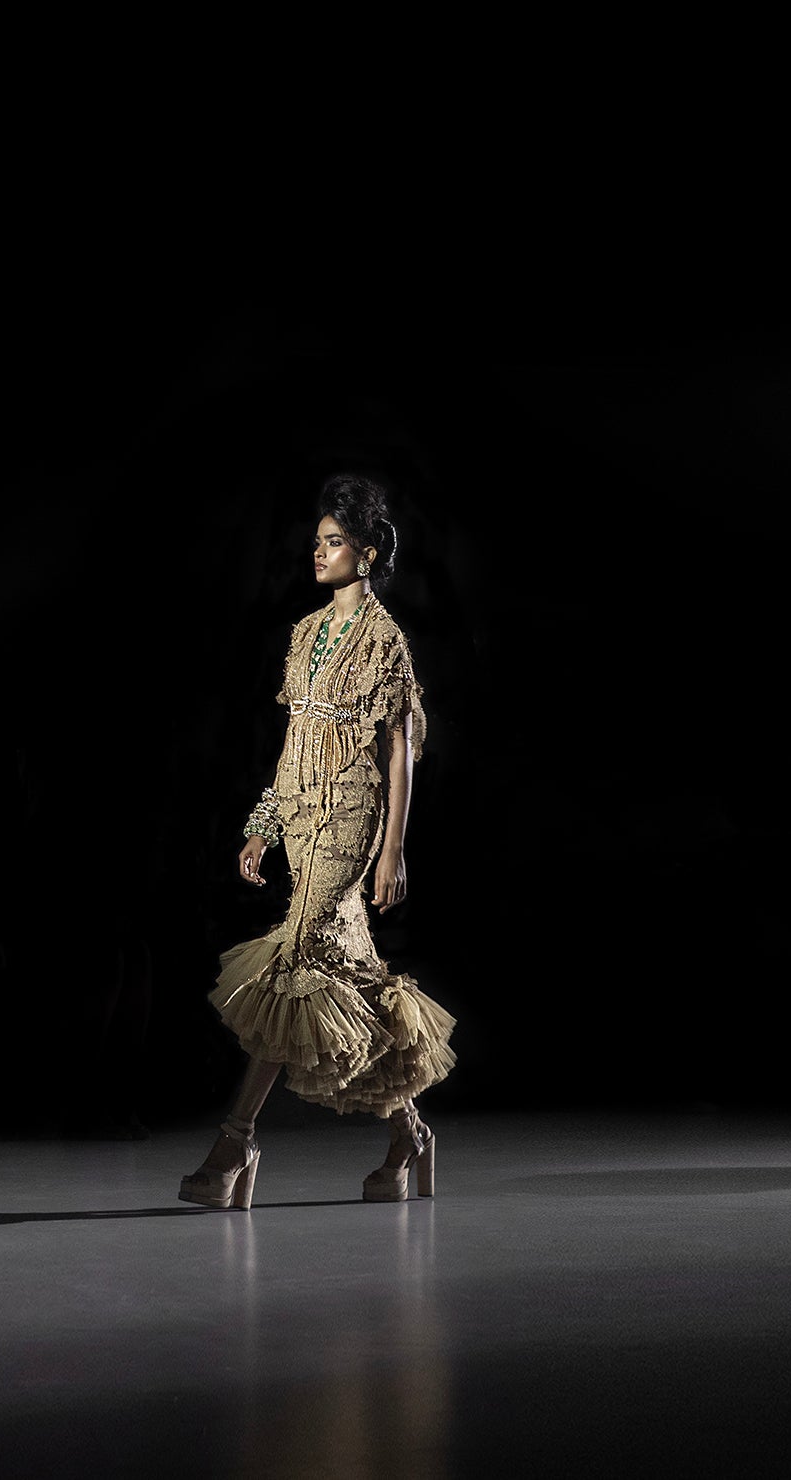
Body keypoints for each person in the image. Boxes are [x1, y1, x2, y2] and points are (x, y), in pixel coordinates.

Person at [179, 474, 458, 1209]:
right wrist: (263, 823)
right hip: (302, 818)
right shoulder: (306, 633)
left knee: (295, 959)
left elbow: (398, 752)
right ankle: (410, 1135)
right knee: (346, 975)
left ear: (367, 554)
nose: (318, 552)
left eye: (333, 542)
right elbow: (294, 738)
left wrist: (392, 850)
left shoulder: (386, 642)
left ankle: (234, 1143)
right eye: (317, 541)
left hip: (352, 820)